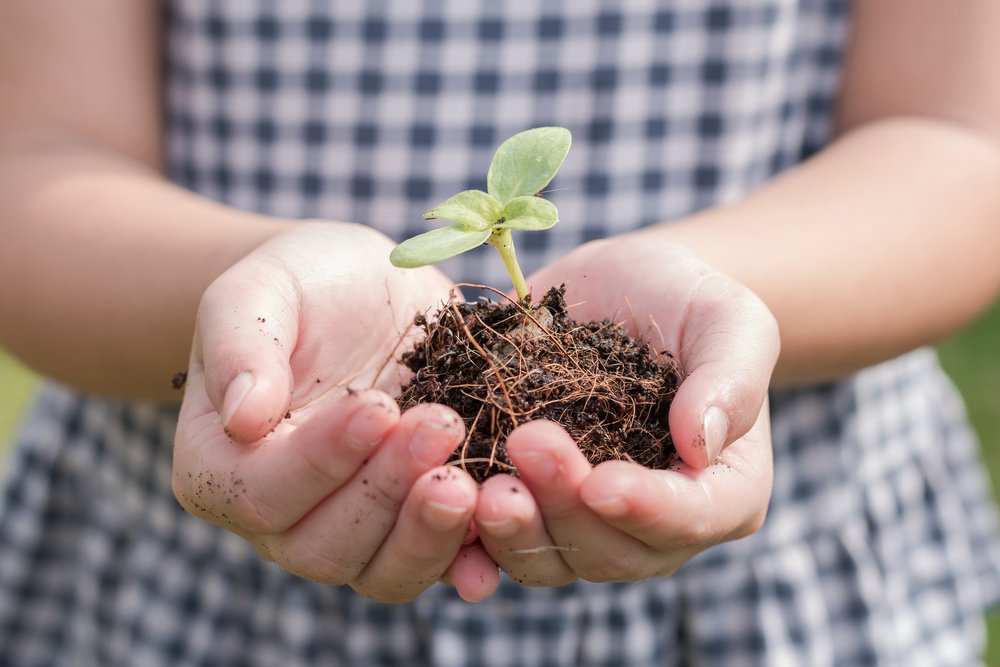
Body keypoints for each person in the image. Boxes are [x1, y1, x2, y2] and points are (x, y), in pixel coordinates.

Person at [1, 1, 999, 665]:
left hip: (775, 594)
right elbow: (33, 163)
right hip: (198, 590)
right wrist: (255, 312)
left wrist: (715, 303)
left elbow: (961, 147)